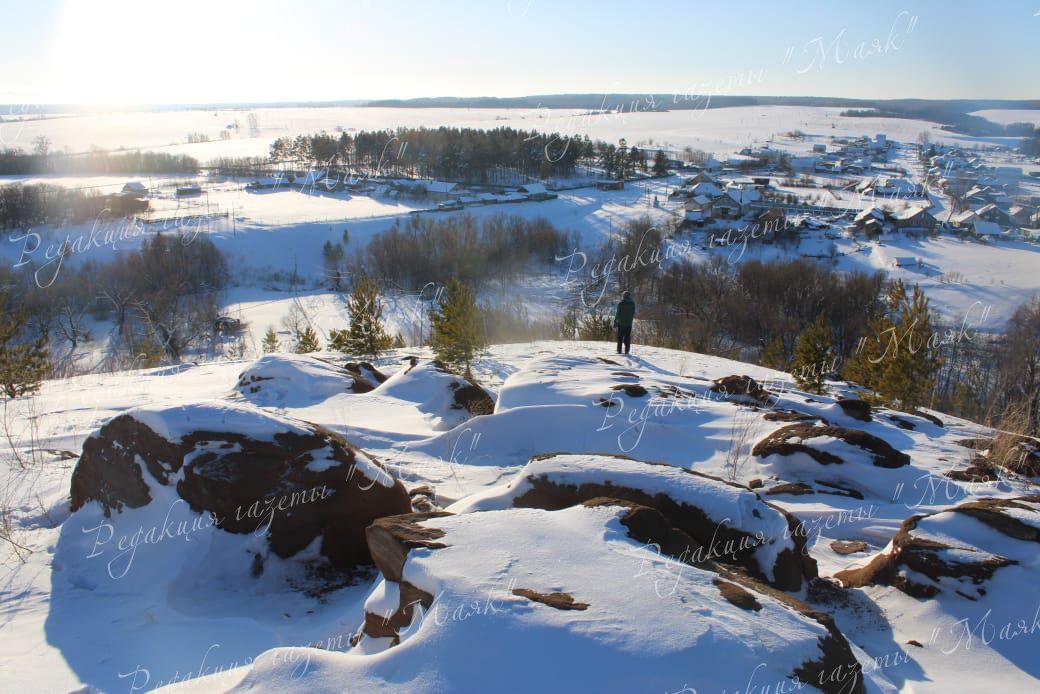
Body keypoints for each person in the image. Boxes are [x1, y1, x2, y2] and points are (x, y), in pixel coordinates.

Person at [614, 291, 635, 355]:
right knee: (627, 337)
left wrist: (615, 321)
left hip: (621, 324)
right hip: (629, 324)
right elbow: (633, 313)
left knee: (620, 337)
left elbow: (618, 313)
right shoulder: (632, 304)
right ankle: (627, 350)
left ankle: (619, 350)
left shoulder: (621, 303)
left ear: (623, 296)